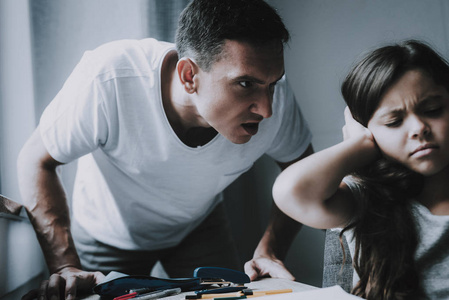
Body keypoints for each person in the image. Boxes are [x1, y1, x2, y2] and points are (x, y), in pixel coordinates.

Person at [17, 0, 314, 299]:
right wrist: (65, 266)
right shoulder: (109, 79)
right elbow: (35, 160)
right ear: (189, 76)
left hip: (199, 227)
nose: (267, 110)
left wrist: (270, 250)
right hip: (105, 234)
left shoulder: (277, 103)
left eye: (273, 84)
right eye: (245, 83)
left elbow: (305, 174)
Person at [273, 39, 449, 300]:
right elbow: (291, 191)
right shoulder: (366, 200)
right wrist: (360, 144)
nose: (418, 128)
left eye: (433, 110)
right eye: (393, 121)